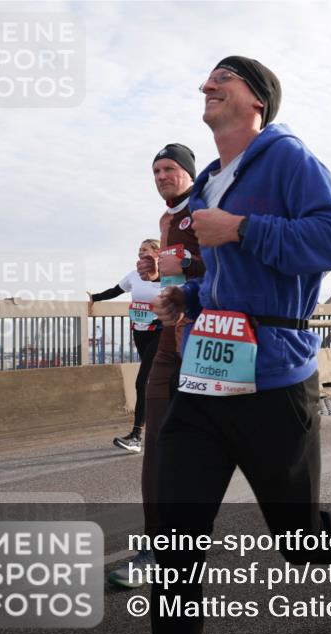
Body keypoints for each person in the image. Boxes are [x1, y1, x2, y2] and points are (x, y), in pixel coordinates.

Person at [150, 56, 331, 634]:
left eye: (223, 79)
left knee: (300, 540)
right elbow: (222, 276)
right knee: (175, 544)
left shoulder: (291, 160)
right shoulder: (212, 180)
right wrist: (185, 296)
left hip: (272, 381)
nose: (206, 86)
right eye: (207, 80)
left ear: (257, 101)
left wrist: (241, 228)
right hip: (204, 379)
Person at [107, 144, 204, 589]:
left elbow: (228, 266)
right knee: (158, 450)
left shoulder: (207, 207)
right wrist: (160, 274)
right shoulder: (166, 221)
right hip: (170, 341)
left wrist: (184, 265)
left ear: (189, 172)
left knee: (285, 505)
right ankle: (158, 548)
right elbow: (172, 279)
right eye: (156, 170)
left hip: (211, 343)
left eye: (170, 169)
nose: (162, 176)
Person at [88, 239, 162, 451]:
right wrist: (95, 297)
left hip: (160, 331)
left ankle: (136, 436)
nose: (140, 252)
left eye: (145, 249)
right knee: (156, 382)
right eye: (139, 249)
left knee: (142, 382)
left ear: (157, 253)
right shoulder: (133, 275)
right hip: (139, 333)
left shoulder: (167, 276)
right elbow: (116, 290)